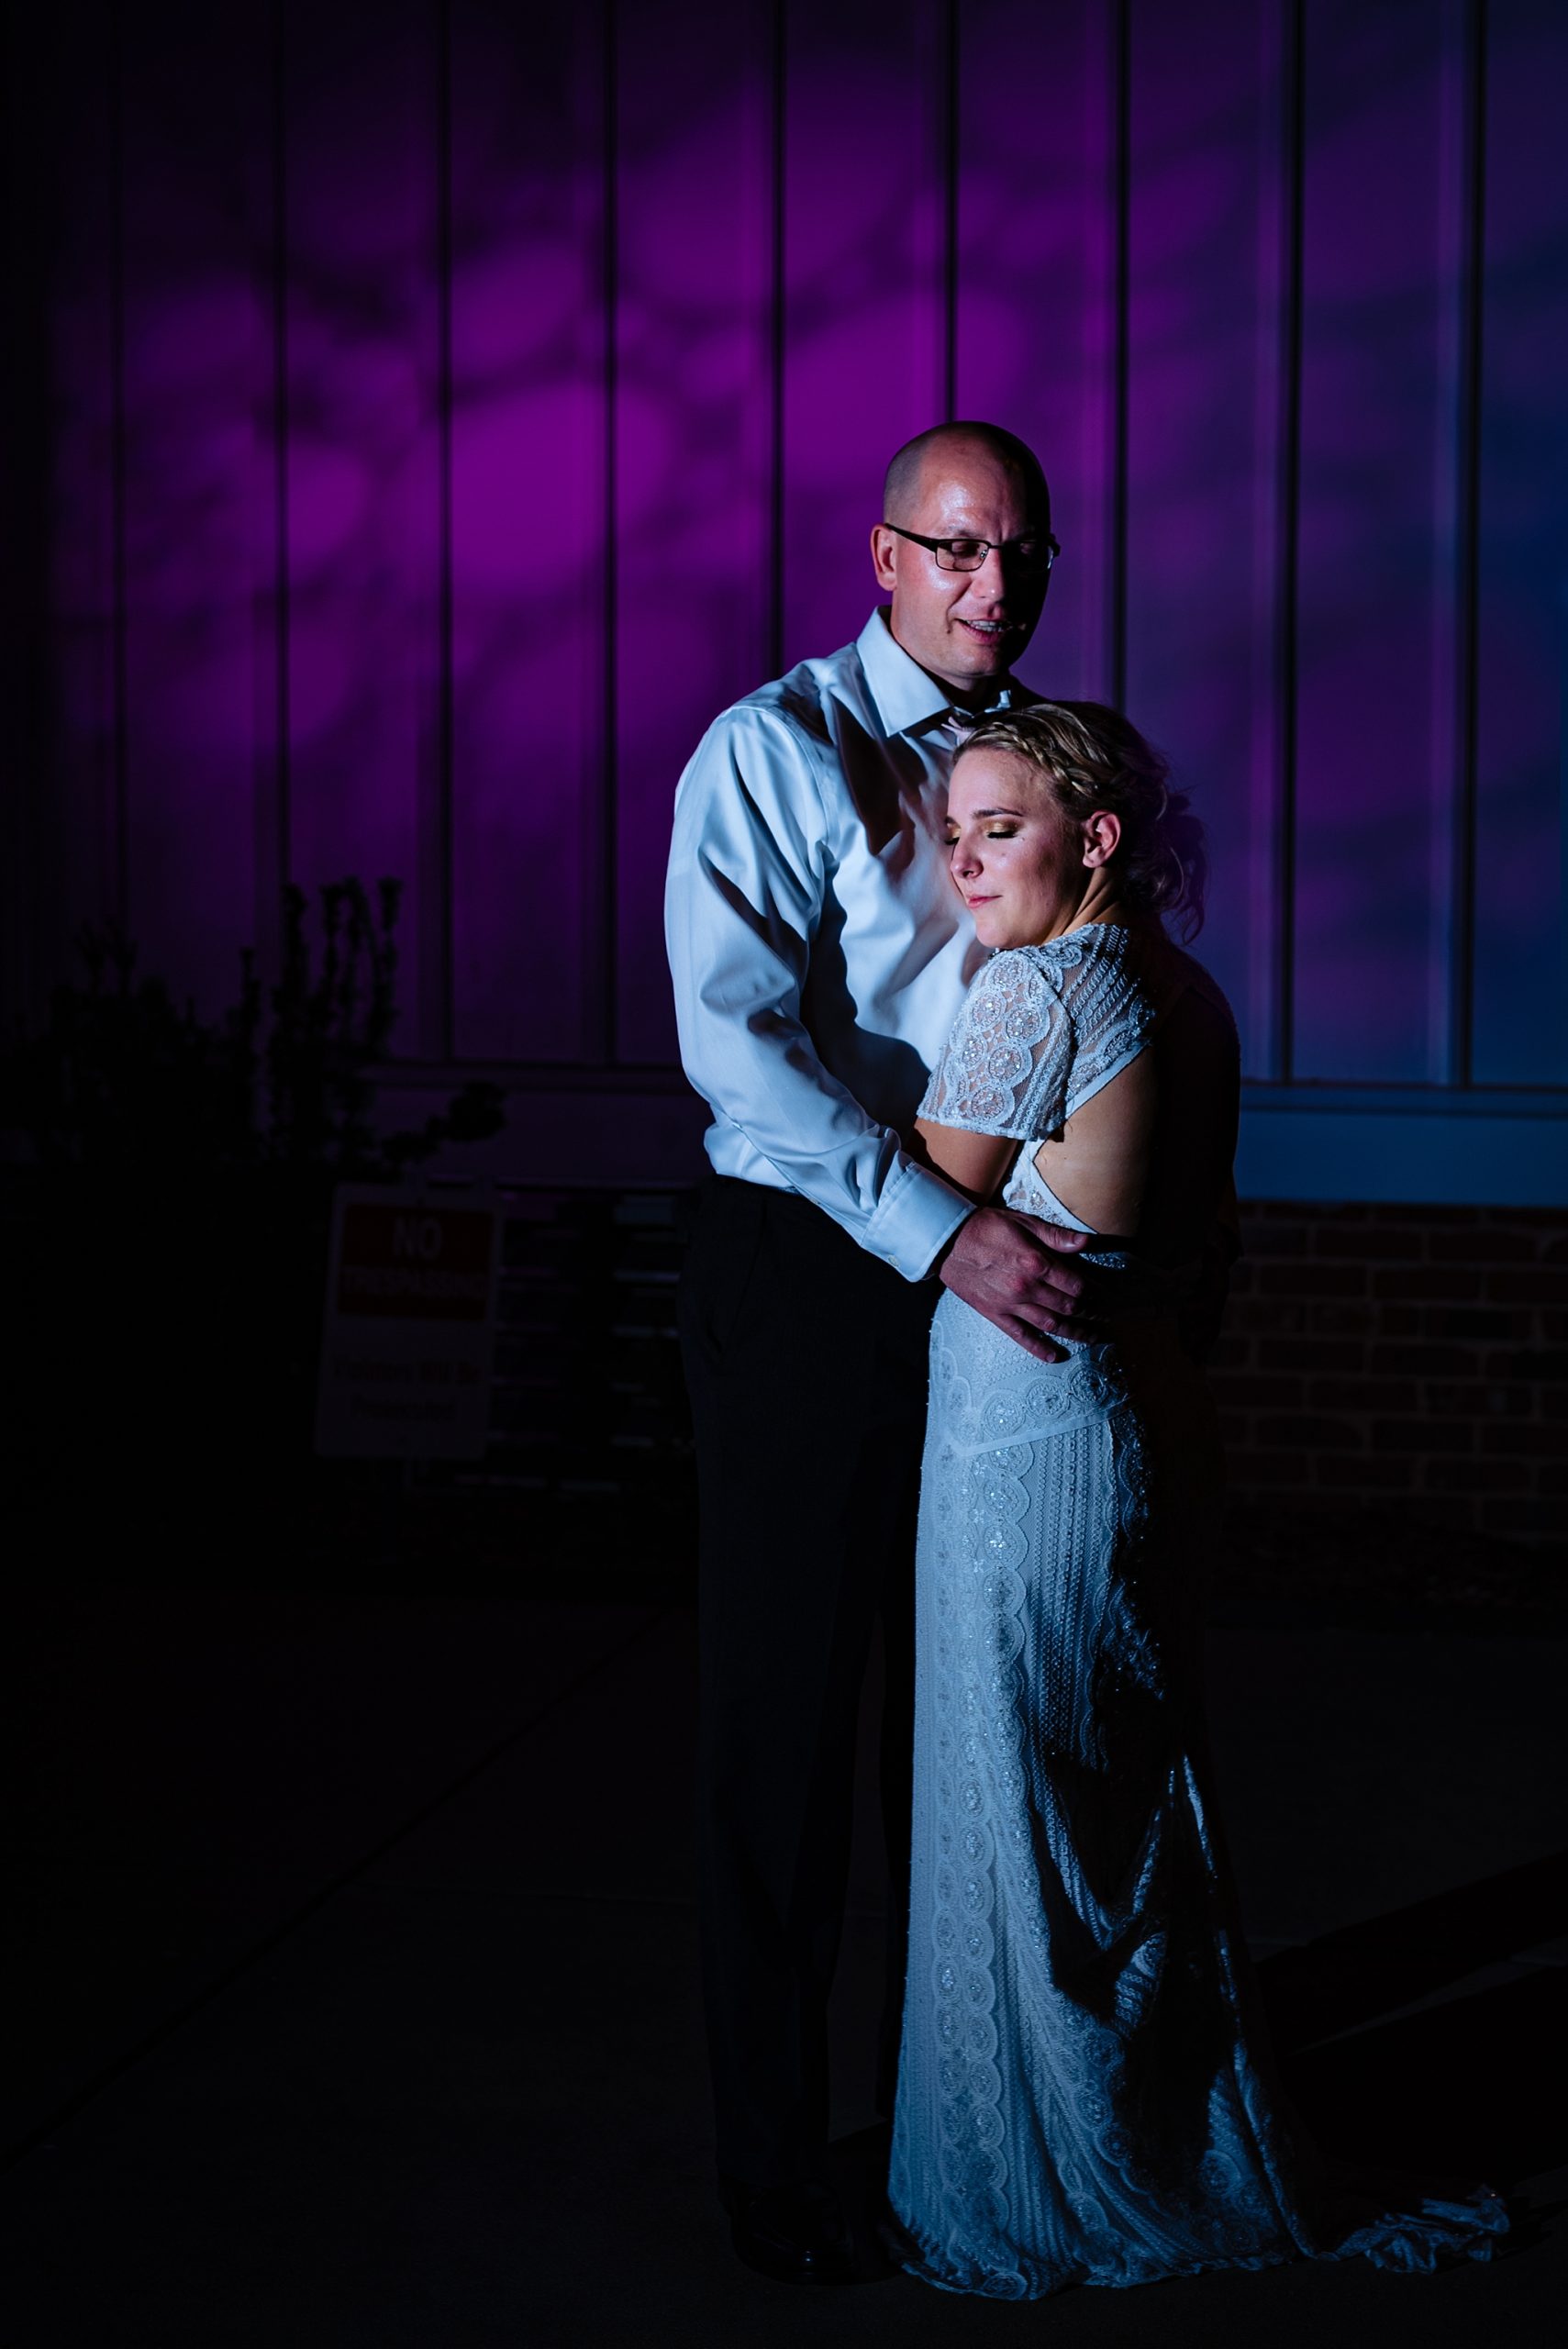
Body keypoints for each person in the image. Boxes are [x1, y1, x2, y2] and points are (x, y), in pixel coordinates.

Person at [889, 701, 1507, 2294]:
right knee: (1126, 1808)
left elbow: (918, 1201)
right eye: (951, 829)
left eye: (999, 826)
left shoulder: (1033, 995)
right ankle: (1159, 2126)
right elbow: (1204, 1250)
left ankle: (1064, 2177)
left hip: (1023, 1459)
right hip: (1144, 1426)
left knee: (1031, 1827)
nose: (961, 858)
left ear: (1093, 840)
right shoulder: (1186, 991)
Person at [666, 422, 1095, 2285]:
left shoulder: (1051, 748)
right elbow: (743, 1057)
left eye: (1025, 552)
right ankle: (774, 2167)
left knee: (995, 1722)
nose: (997, 584)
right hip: (819, 1266)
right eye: (960, 549)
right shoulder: (768, 749)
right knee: (790, 1733)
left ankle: (975, 2121)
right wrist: (944, 1233)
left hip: (1004, 1263)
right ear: (883, 554)